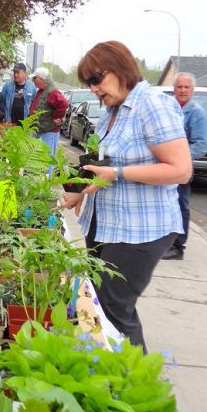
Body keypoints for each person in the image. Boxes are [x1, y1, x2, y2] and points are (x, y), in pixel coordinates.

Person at [62, 41, 192, 352]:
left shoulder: (152, 105)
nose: (93, 89)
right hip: (108, 225)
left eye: (96, 79)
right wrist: (85, 190)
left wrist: (118, 175)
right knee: (98, 305)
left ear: (121, 68)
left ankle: (135, 390)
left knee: (114, 309)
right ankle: (108, 375)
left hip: (140, 231)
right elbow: (113, 165)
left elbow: (180, 169)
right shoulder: (112, 112)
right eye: (88, 83)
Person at [162, 72, 207, 261]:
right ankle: (165, 242)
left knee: (181, 205)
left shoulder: (197, 113)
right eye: (179, 87)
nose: (182, 90)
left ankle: (178, 247)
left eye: (186, 87)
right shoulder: (169, 109)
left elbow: (201, 145)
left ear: (192, 90)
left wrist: (176, 156)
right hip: (165, 167)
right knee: (166, 204)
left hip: (181, 168)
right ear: (173, 89)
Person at [28, 67, 68, 156]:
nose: (33, 81)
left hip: (48, 132)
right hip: (41, 130)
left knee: (47, 159)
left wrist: (56, 117)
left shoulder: (52, 92)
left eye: (35, 78)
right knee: (40, 159)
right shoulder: (43, 90)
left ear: (41, 79)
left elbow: (63, 103)